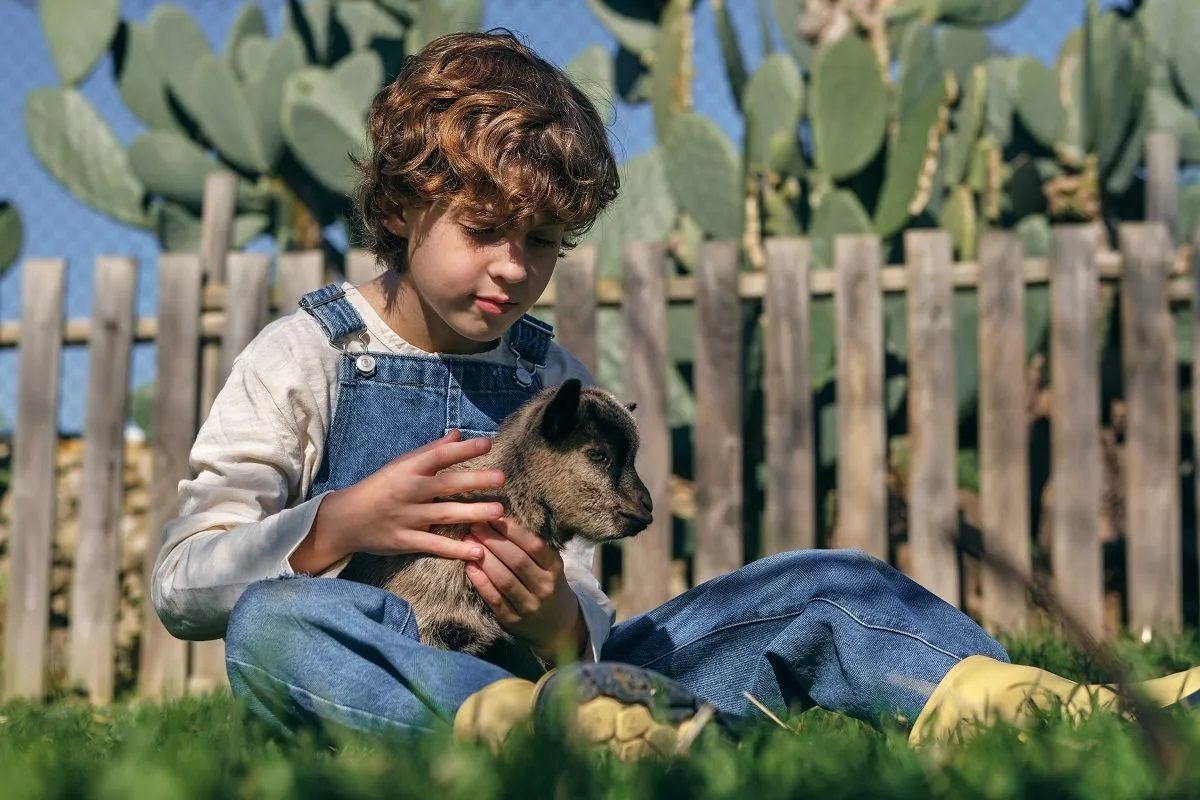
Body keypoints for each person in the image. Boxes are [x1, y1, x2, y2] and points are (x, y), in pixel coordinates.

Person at [151, 30, 1200, 760]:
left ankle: (1029, 702)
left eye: (545, 243)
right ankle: (514, 732)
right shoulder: (307, 355)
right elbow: (187, 583)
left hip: (585, 684)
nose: (513, 268)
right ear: (404, 202)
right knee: (274, 628)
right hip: (390, 681)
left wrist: (560, 619)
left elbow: (592, 618)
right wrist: (339, 521)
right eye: (483, 229)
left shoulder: (549, 382)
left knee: (821, 580)